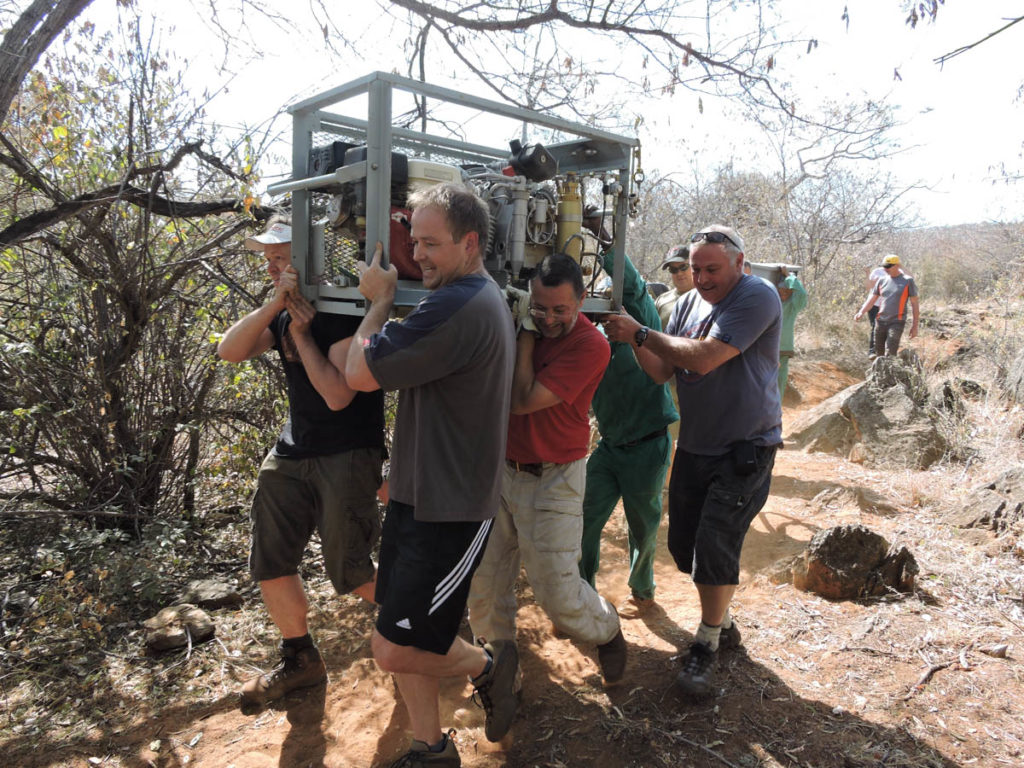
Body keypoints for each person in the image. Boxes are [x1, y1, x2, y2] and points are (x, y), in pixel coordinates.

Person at [344, 183, 517, 767]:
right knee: (403, 630)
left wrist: (377, 302)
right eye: (413, 239)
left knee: (393, 650)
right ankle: (430, 747)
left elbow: (358, 373)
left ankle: (488, 665)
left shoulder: (458, 304)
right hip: (418, 494)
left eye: (430, 243)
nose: (417, 254)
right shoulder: (463, 296)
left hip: (452, 507)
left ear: (471, 243)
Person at [602, 224, 781, 700]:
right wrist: (631, 339)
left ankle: (705, 643)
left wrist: (641, 331)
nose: (701, 278)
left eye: (711, 269)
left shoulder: (756, 297)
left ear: (740, 263)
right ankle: (722, 621)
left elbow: (702, 359)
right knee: (685, 549)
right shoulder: (684, 305)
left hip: (746, 446)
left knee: (715, 544)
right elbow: (662, 371)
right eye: (696, 269)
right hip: (697, 446)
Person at [216, 215, 386, 707]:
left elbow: (336, 396)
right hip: (295, 450)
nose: (272, 266)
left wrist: (303, 334)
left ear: (309, 256)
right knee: (270, 559)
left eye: (282, 256)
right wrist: (276, 306)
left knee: (351, 571)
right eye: (267, 258)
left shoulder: (340, 309)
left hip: (347, 450)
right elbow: (229, 351)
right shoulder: (286, 309)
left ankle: (421, 623)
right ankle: (300, 658)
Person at [467, 253, 628, 688]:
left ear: (581, 302)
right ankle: (499, 676)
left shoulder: (590, 345)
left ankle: (608, 630)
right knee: (483, 586)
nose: (550, 318)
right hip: (501, 472)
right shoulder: (519, 320)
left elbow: (520, 400)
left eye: (561, 310)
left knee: (558, 596)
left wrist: (525, 333)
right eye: (540, 307)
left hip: (554, 478)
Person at [579, 236, 677, 619]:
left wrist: (604, 241)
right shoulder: (592, 340)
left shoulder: (642, 327)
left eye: (610, 300)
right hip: (609, 448)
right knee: (584, 518)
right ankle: (582, 591)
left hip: (647, 445)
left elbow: (632, 285)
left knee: (643, 524)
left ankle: (643, 589)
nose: (606, 308)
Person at [654, 245, 692, 455]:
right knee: (668, 438)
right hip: (669, 382)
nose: (678, 274)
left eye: (683, 267)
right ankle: (667, 486)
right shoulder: (663, 300)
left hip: (699, 382)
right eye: (673, 270)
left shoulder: (709, 298)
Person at [854, 254, 919, 357]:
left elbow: (915, 303)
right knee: (878, 354)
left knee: (890, 352)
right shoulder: (881, 280)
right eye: (884, 266)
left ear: (897, 266)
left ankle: (891, 371)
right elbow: (872, 299)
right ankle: (879, 372)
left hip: (897, 321)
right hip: (880, 321)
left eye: (888, 266)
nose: (885, 269)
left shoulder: (907, 281)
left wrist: (915, 326)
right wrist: (861, 312)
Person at [776, 265, 808, 399]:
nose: (784, 294)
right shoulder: (769, 301)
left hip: (783, 348)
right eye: (781, 290)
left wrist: (789, 276)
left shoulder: (793, 305)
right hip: (765, 348)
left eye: (788, 291)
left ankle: (775, 411)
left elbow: (802, 294)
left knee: (779, 382)